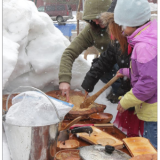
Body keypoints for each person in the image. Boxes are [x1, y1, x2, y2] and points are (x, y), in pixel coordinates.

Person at [82, 12, 144, 138]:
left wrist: (126, 94)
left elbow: (144, 78)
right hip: (130, 98)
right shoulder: (117, 43)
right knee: (130, 136)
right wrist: (88, 83)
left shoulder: (140, 44)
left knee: (147, 137)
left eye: (112, 27)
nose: (110, 32)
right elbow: (103, 62)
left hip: (142, 99)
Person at [59, 0, 126, 103]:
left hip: (126, 62)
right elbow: (69, 53)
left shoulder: (123, 27)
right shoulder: (91, 30)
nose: (96, 21)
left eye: (99, 18)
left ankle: (124, 95)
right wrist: (64, 80)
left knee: (119, 69)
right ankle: (117, 92)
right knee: (98, 65)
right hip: (107, 63)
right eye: (92, 18)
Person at [114, 0, 157, 149]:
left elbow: (149, 83)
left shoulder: (144, 46)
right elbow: (150, 70)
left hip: (154, 113)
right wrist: (128, 72)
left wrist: (126, 101)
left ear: (134, 22)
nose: (122, 30)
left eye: (124, 26)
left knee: (152, 150)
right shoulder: (151, 35)